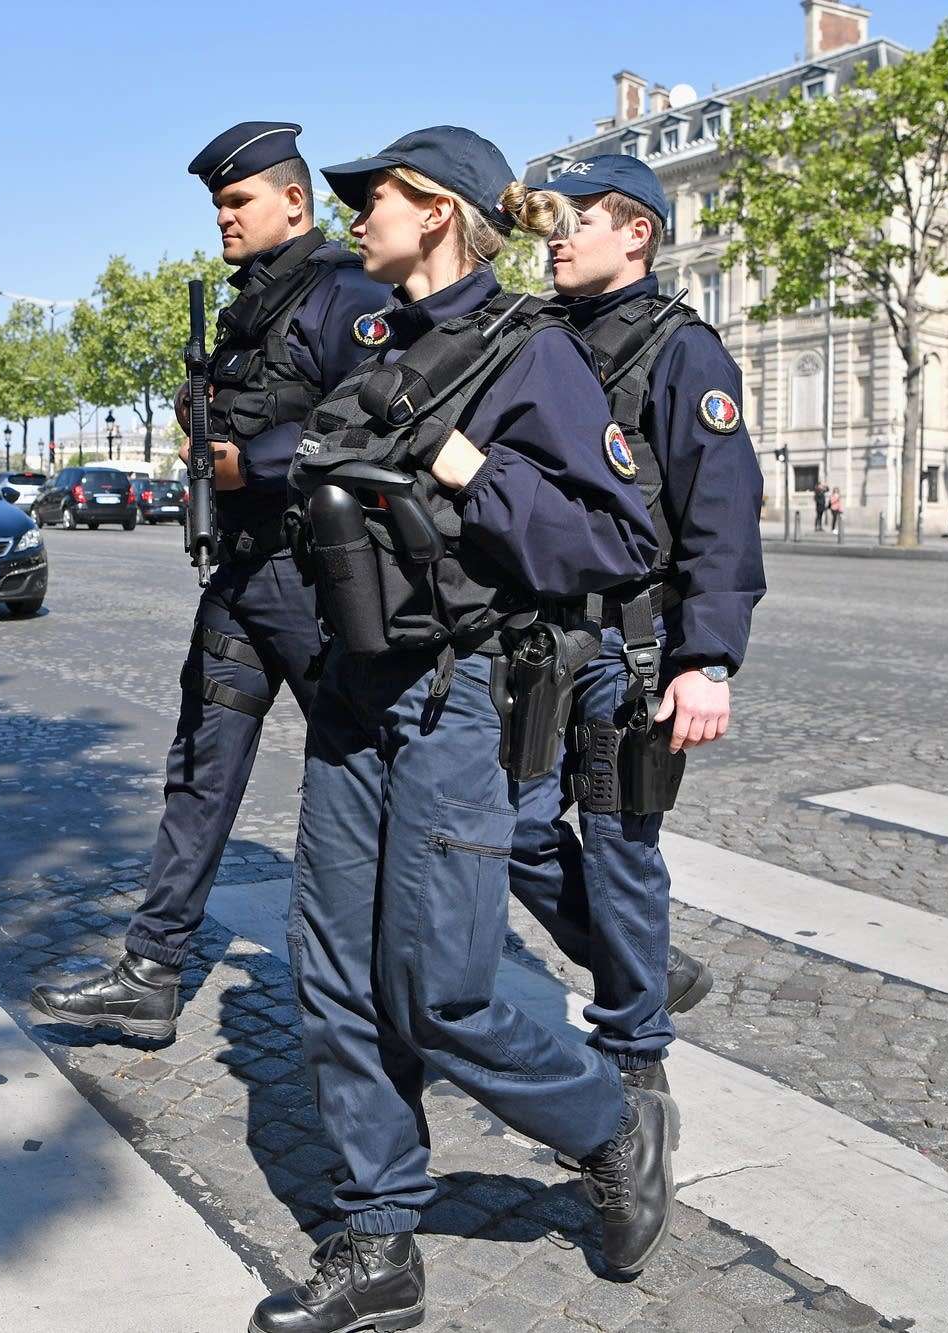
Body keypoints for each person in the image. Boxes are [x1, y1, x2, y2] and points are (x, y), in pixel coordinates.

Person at [255, 127, 670, 1332]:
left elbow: (618, 541)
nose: (355, 215)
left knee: (439, 990)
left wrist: (459, 463)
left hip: (457, 698)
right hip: (354, 696)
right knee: (332, 976)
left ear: (435, 210)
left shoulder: (530, 354)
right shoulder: (376, 340)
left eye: (372, 197)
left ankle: (608, 1125)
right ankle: (376, 1240)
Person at [31, 121, 388, 1040]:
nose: (223, 221)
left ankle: (414, 981)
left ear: (295, 201)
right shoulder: (246, 308)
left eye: (237, 202)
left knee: (364, 779)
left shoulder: (349, 293)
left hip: (319, 584)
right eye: (217, 206)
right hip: (243, 575)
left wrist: (248, 464)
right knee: (198, 773)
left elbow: (376, 422)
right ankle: (150, 972)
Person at [509, 155, 766, 1169]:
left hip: (631, 641)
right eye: (552, 222)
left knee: (620, 850)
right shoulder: (530, 337)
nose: (555, 237)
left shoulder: (680, 352)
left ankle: (633, 1054)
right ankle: (645, 964)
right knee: (515, 832)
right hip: (535, 640)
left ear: (637, 234)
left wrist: (705, 658)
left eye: (577, 221)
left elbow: (719, 511)